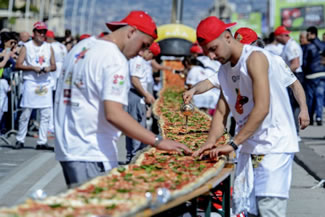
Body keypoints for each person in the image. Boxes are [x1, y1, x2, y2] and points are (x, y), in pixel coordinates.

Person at [54, 10, 191, 187]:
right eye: (144, 45)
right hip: (92, 150)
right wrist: (158, 141)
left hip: (68, 147)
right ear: (131, 32)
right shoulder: (114, 58)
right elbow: (114, 114)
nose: (142, 53)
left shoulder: (82, 46)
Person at [192, 16, 300, 217]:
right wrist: (210, 141)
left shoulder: (255, 58)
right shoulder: (224, 69)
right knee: (247, 211)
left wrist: (232, 144)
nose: (212, 56)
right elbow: (222, 111)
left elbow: (262, 108)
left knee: (268, 210)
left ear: (227, 37)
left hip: (274, 144)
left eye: (213, 49)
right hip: (249, 147)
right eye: (207, 53)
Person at [13, 21, 56, 150]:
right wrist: (32, 67)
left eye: (44, 32)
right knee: (26, 111)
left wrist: (48, 68)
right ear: (34, 33)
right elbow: (18, 64)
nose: (42, 34)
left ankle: (42, 141)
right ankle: (20, 139)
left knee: (46, 113)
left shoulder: (49, 47)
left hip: (44, 82)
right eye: (39, 31)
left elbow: (54, 66)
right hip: (31, 82)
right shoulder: (27, 46)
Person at [125, 41, 160, 163]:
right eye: (152, 56)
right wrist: (146, 95)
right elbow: (135, 80)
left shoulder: (136, 59)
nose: (151, 59)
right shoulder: (138, 60)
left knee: (134, 126)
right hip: (136, 95)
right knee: (137, 126)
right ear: (149, 52)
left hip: (136, 95)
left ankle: (131, 156)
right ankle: (134, 157)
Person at [275, 25, 304, 136]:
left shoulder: (291, 46)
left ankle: (295, 131)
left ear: (282, 36)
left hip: (294, 74)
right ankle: (293, 130)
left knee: (293, 104)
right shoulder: (289, 45)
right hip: (293, 74)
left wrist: (282, 75)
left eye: (277, 38)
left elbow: (295, 64)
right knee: (291, 104)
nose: (276, 41)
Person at [45, 30, 68, 133]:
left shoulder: (51, 46)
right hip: (62, 72)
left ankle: (50, 124)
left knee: (51, 100)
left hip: (54, 74)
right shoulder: (61, 46)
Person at [304, 26, 325, 126]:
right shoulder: (322, 45)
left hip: (311, 75)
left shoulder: (309, 46)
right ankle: (319, 116)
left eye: (308, 34)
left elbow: (304, 62)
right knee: (320, 96)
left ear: (312, 34)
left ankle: (311, 118)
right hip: (322, 74)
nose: (307, 36)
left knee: (310, 97)